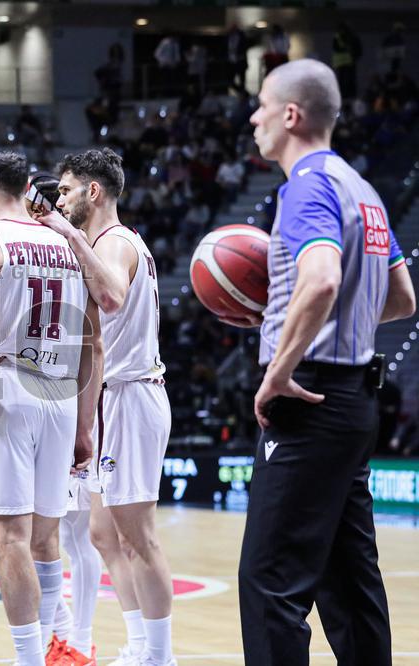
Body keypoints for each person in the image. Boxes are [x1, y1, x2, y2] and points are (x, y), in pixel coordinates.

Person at [235, 58, 415, 666]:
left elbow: (320, 280)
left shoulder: (306, 186)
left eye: (261, 104)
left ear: (290, 115)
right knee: (348, 581)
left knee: (269, 584)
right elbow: (402, 298)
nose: (254, 116)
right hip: (354, 399)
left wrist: (280, 368)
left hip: (308, 400)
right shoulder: (363, 191)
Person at [0, 151, 102, 665]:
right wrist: (82, 421)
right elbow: (88, 340)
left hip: (7, 390)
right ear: (29, 186)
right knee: (47, 538)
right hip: (59, 390)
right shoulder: (66, 244)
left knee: (10, 536)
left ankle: (29, 660)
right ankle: (53, 651)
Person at [38, 149, 174, 666]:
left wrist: (68, 235)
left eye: (67, 190)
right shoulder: (102, 243)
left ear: (93, 192)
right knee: (101, 533)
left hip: (131, 397)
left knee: (138, 536)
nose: (59, 198)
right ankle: (140, 643)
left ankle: (159, 656)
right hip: (111, 399)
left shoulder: (114, 243)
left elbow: (113, 297)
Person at [23, 172, 103, 666]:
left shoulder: (78, 248)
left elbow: (93, 340)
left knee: (76, 531)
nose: (42, 206)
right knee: (45, 532)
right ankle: (63, 634)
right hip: (46, 395)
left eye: (49, 197)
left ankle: (77, 638)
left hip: (76, 396)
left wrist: (83, 421)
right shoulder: (37, 247)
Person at [332, 22, 362, 100]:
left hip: (346, 62)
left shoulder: (340, 37)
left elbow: (358, 50)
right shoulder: (345, 37)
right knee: (347, 80)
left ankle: (347, 96)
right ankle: (348, 95)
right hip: (347, 62)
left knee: (346, 80)